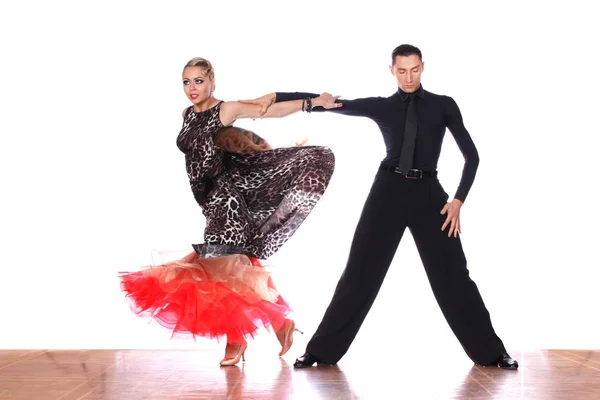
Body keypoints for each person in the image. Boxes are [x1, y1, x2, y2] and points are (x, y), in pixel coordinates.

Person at [244, 44, 518, 370]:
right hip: (388, 190)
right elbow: (328, 103)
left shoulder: (443, 106)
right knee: (360, 272)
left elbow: (472, 156)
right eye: (402, 70)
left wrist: (458, 200)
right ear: (392, 70)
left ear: (423, 67)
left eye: (414, 69)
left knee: (455, 276)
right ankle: (320, 352)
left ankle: (491, 353)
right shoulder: (383, 106)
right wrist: (275, 96)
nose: (408, 76)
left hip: (429, 194)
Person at [119, 57, 338, 366]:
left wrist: (313, 103)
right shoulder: (186, 114)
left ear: (212, 82)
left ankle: (235, 340)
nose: (192, 88)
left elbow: (271, 111)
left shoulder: (225, 109)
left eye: (198, 81)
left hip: (227, 199)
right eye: (186, 82)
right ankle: (281, 324)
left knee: (222, 264)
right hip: (208, 201)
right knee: (239, 262)